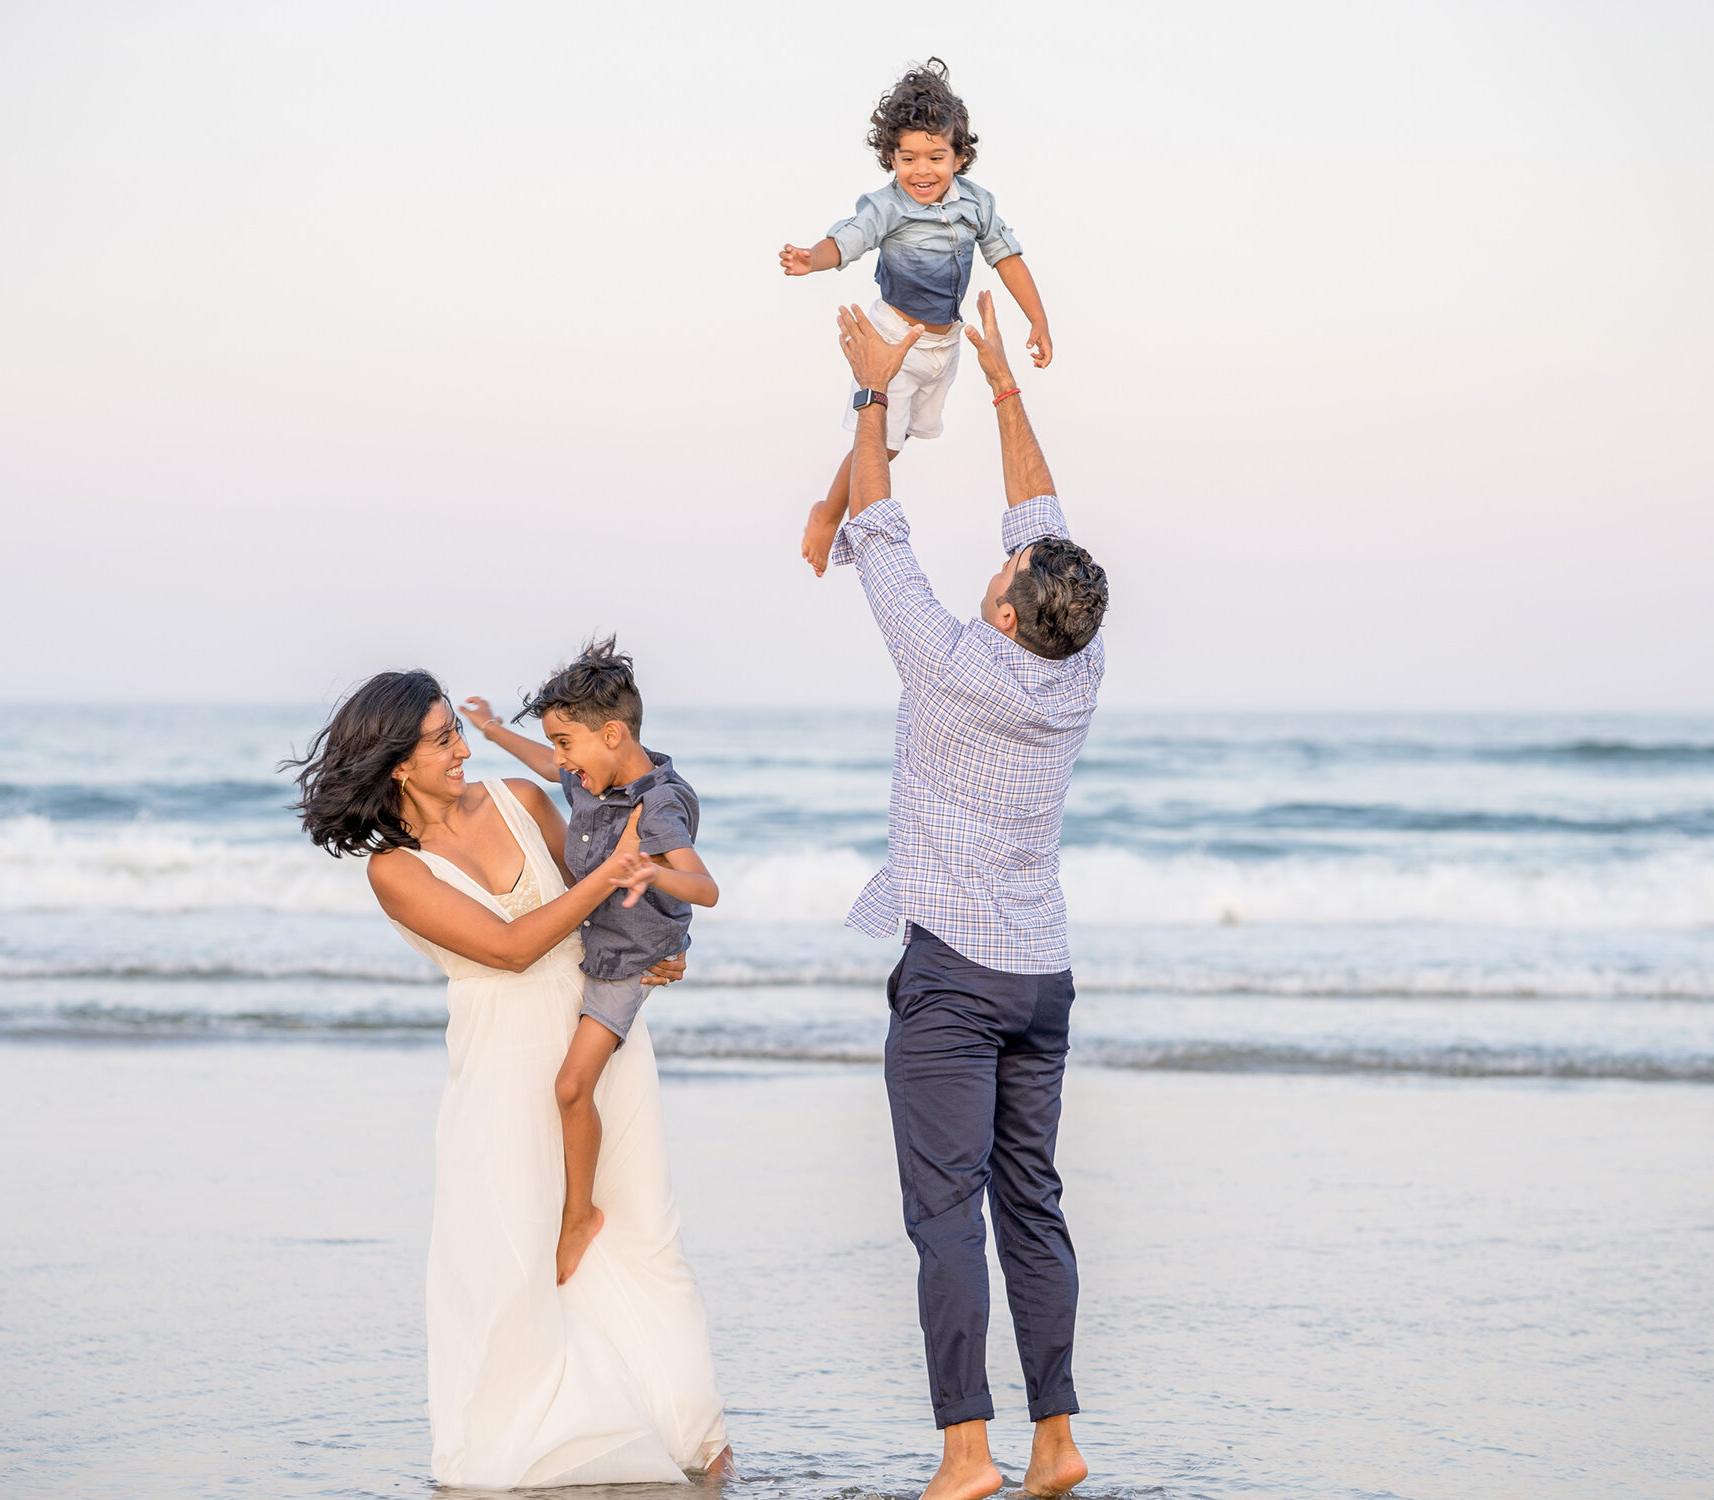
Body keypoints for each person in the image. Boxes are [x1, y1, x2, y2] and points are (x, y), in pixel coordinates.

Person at [287, 671, 732, 1486]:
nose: (461, 748)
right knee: (505, 1258)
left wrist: (655, 953)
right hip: (499, 1062)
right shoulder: (395, 871)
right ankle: (536, 1439)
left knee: (641, 1230)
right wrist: (611, 877)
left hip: (598, 1038)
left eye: (459, 730)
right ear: (396, 763)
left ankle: (689, 1433)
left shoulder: (523, 800)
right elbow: (509, 948)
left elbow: (611, 908)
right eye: (441, 738)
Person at [827, 288, 1109, 1500]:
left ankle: (965, 1455)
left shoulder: (947, 663)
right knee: (1031, 1205)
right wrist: (999, 385)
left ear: (1005, 606)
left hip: (950, 978)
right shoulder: (1079, 660)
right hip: (1041, 975)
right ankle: (1057, 1443)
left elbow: (876, 525)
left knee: (946, 1213)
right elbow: (1043, 520)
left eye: (1005, 562)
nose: (1006, 550)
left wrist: (872, 389)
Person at [459, 639, 718, 1285]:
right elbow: (549, 766)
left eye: (568, 743)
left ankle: (580, 1215)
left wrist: (648, 872)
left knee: (571, 1087)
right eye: (559, 745)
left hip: (628, 957)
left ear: (611, 734)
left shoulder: (659, 803)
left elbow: (705, 887)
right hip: (595, 934)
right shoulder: (590, 770)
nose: (563, 761)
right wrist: (490, 730)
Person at [780, 58, 1053, 578]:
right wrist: (813, 259)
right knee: (880, 438)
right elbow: (848, 240)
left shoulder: (977, 205)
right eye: (908, 158)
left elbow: (1007, 258)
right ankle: (831, 514)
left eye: (936, 157)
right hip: (893, 341)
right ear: (891, 157)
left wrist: (1038, 320)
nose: (922, 171)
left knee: (896, 444)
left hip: (942, 346)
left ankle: (842, 510)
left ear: (959, 155)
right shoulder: (888, 208)